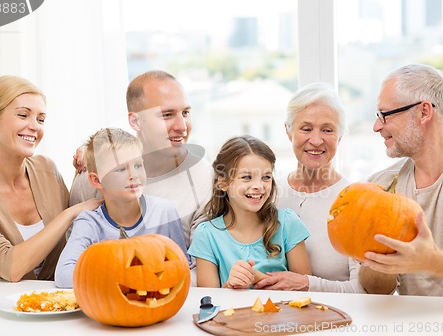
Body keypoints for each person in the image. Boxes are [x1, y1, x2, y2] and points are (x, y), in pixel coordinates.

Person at [0, 75, 101, 281]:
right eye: (23, 115)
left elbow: (75, 231)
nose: (35, 126)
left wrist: (91, 155)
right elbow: (9, 266)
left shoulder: (46, 169)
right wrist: (68, 215)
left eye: (41, 119)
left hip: (52, 309)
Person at [69, 71, 212, 249]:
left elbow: (202, 266)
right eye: (167, 115)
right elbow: (74, 253)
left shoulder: (204, 179)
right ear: (136, 121)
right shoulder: (95, 173)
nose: (182, 126)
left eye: (185, 113)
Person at [358, 63, 443, 297]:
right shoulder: (381, 186)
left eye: (384, 115)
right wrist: (378, 257)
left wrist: (430, 260)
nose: (377, 126)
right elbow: (375, 290)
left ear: (424, 112)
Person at [253, 82, 364, 293]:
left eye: (327, 130)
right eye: (306, 129)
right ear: (288, 131)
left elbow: (362, 289)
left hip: (337, 318)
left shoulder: (355, 200)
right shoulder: (267, 193)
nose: (316, 140)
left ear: (339, 137)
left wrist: (307, 284)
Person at [55, 128, 189, 288]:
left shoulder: (164, 212)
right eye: (120, 169)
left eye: (138, 165)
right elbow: (63, 275)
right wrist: (123, 278)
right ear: (97, 181)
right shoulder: (89, 223)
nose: (134, 175)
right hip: (109, 307)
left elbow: (182, 267)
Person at [188, 135, 311, 288]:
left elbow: (306, 289)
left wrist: (257, 278)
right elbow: (210, 304)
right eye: (247, 177)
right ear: (223, 182)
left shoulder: (287, 222)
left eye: (266, 177)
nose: (259, 186)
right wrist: (230, 285)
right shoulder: (206, 234)